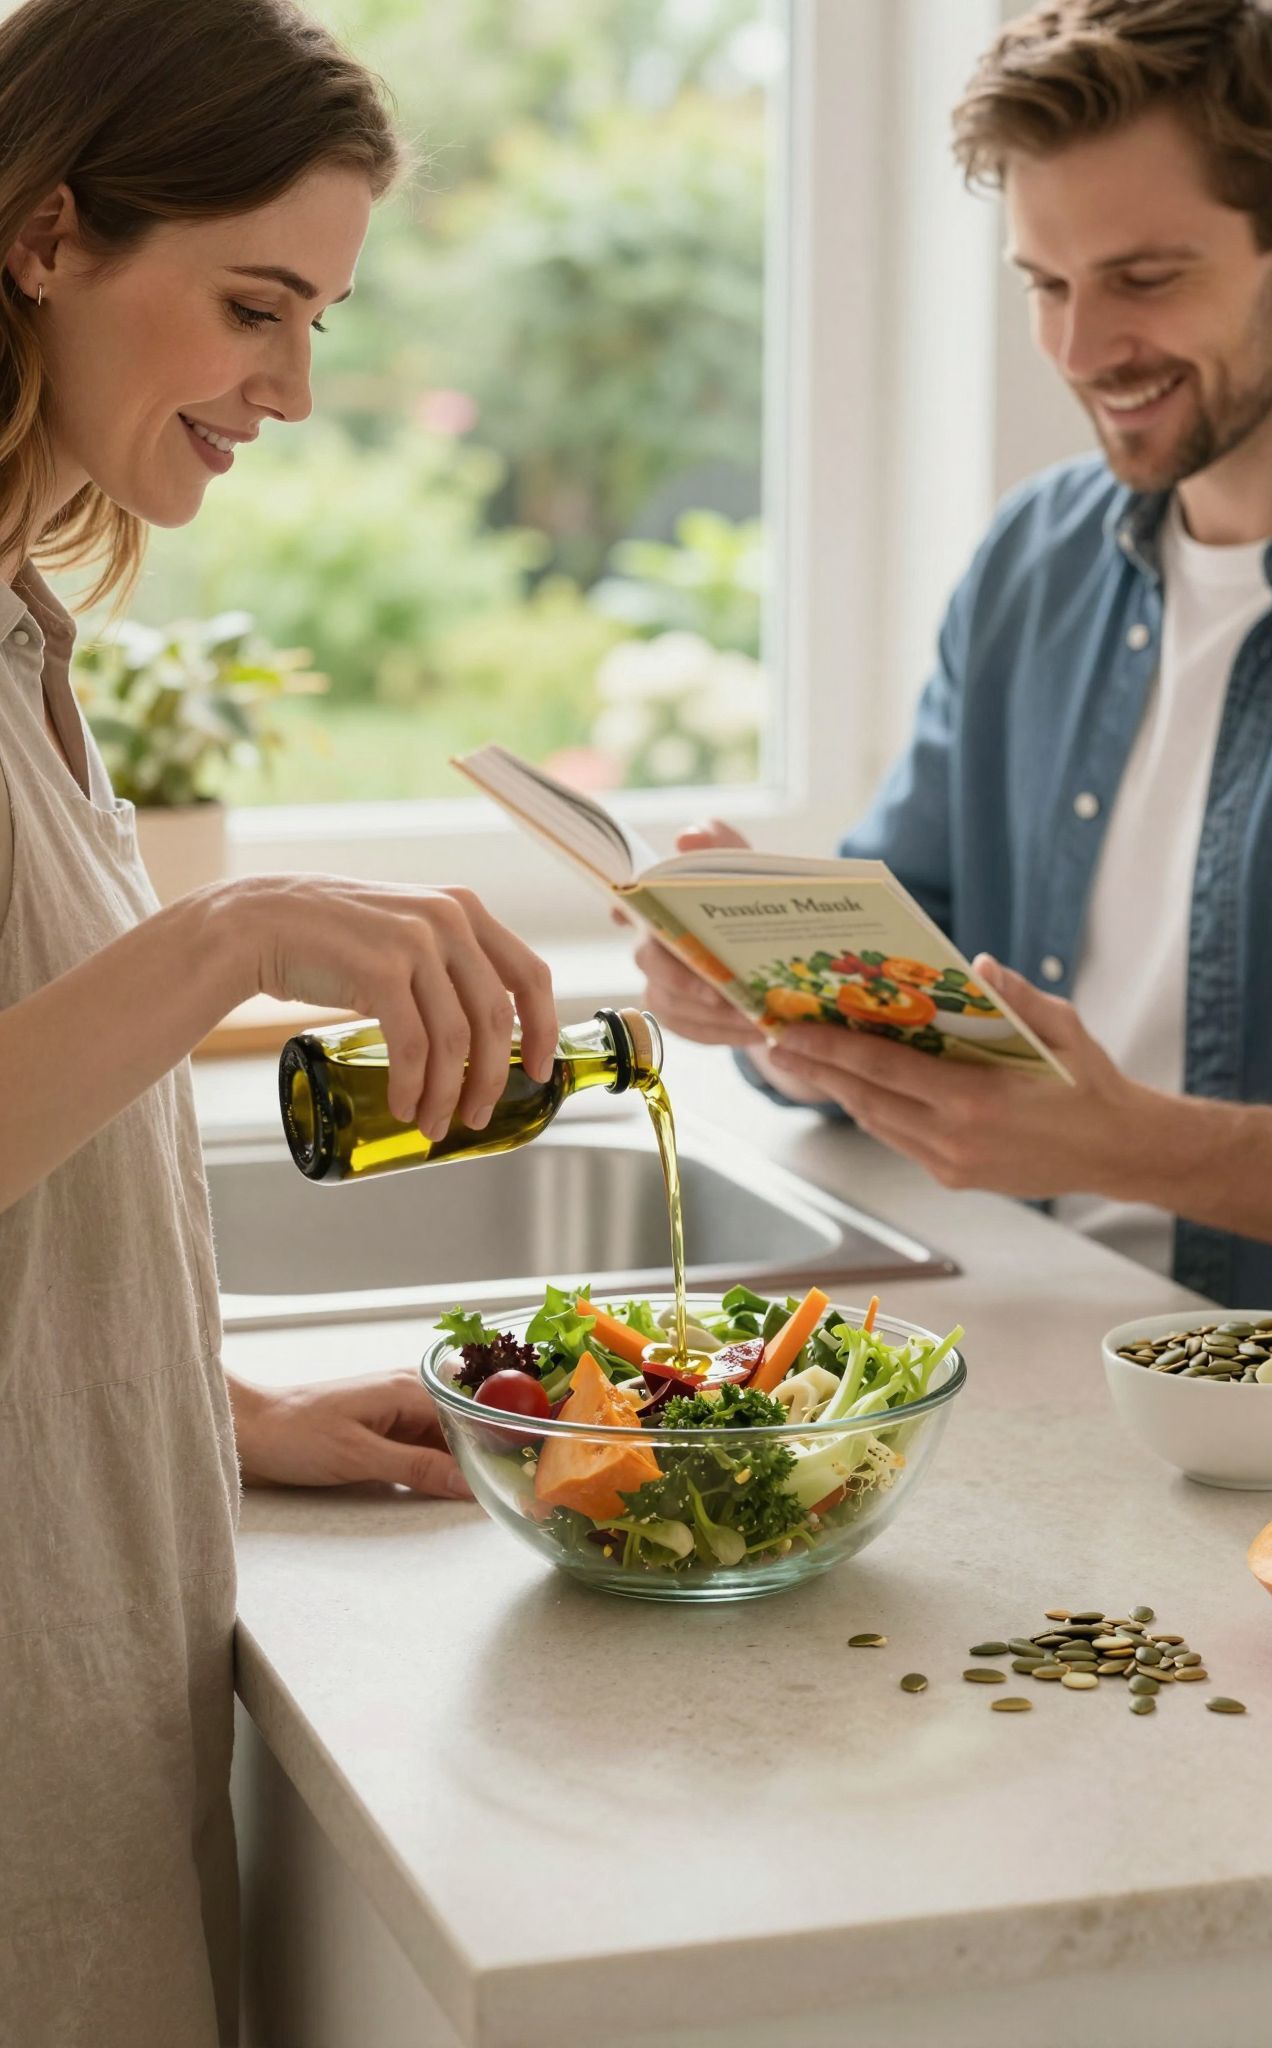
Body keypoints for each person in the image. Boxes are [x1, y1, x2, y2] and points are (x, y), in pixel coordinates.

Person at [632, 0, 1272, 1424]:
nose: (1082, 345)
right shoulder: (1033, 559)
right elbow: (916, 946)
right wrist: (757, 991)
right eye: (1044, 283)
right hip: (1038, 1361)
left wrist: (1135, 1144)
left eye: (1144, 277)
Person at [0, 2, 560, 2041]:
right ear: (49, 232)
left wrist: (220, 1424)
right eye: (257, 303)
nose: (298, 388)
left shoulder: (24, 634)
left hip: (83, 1676)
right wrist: (229, 935)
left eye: (320, 316)